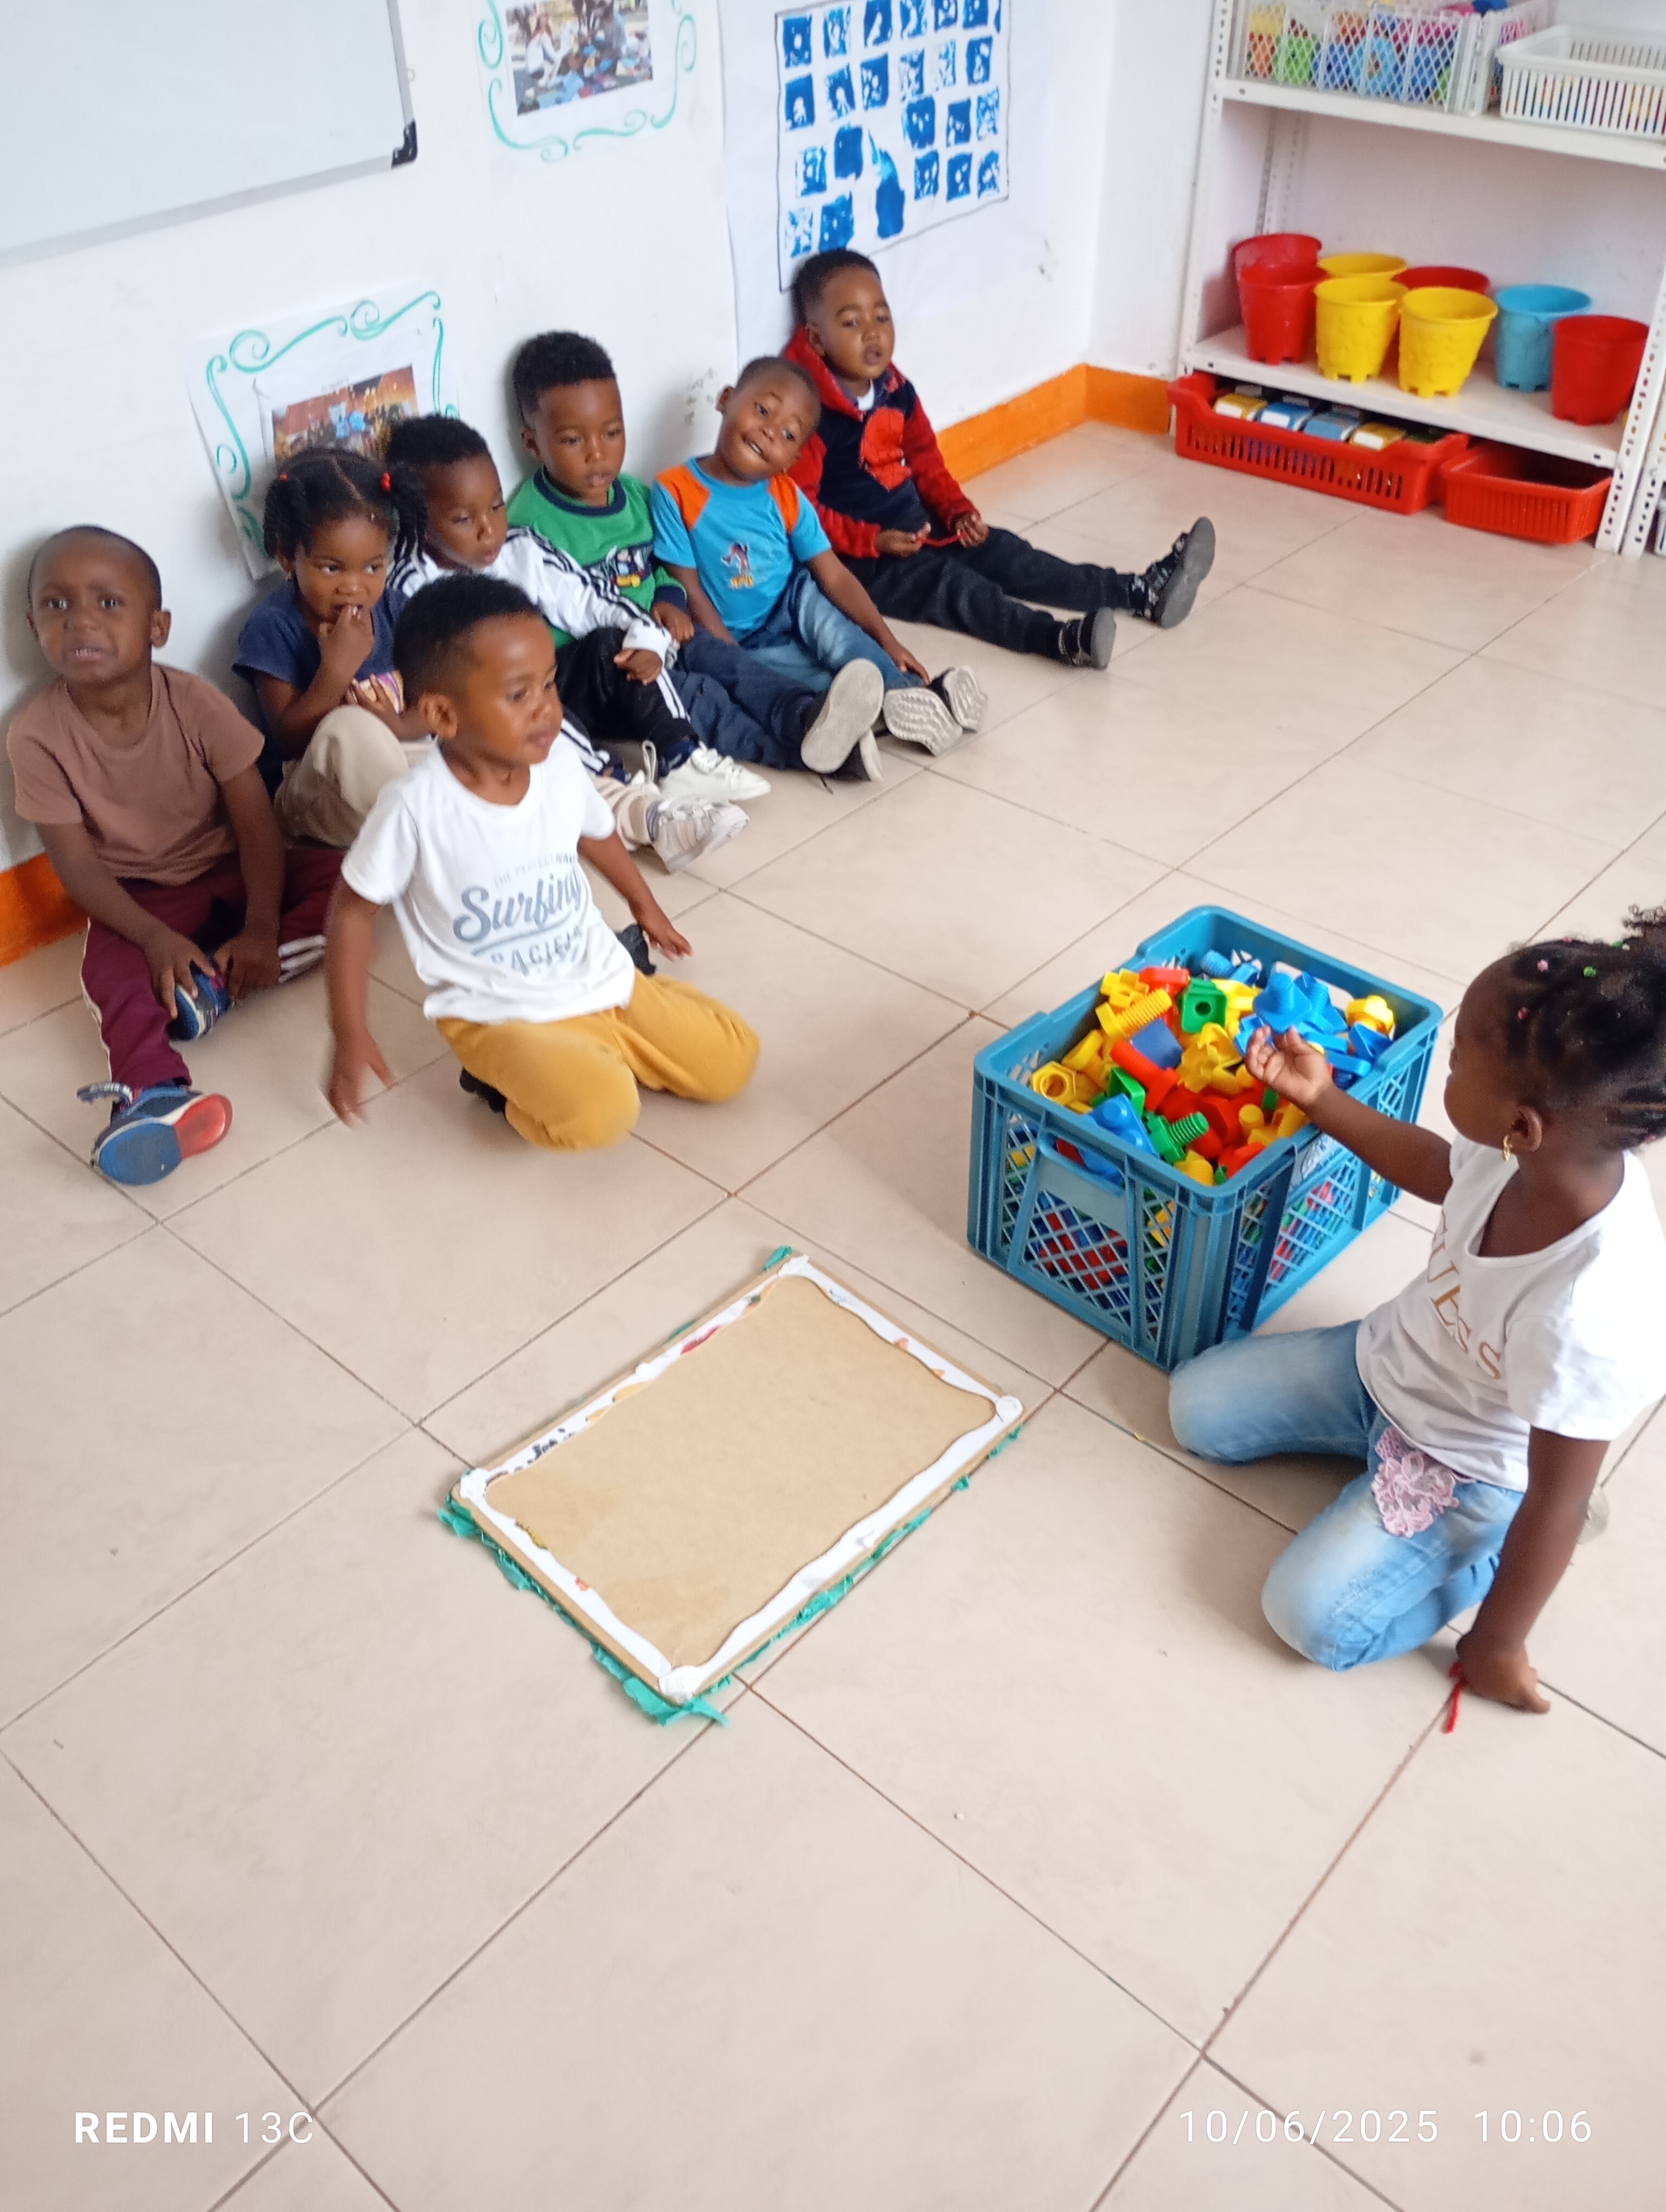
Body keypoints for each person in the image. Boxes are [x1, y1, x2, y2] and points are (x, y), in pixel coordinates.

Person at [1168, 919, 1666, 1712]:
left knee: (1309, 1618)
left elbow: (1559, 1498)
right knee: (1195, 1408)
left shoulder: (1593, 1314)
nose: (1448, 1066)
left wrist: (1497, 1644)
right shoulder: (1520, 1151)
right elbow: (1439, 1168)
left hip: (1469, 1469)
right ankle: (1377, 1467)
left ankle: (1483, 1558)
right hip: (1385, 1364)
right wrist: (1319, 1098)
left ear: (1523, 1126)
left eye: (1459, 1058)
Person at [325, 574, 758, 1151]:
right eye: (519, 695)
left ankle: (611, 1035)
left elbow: (596, 834)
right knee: (601, 1115)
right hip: (498, 1014)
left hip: (595, 975)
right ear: (443, 716)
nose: (548, 710)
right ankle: (500, 1083)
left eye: (549, 685)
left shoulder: (556, 767)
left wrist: (645, 907)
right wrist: (350, 1032)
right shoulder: (414, 809)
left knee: (735, 1059)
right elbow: (351, 913)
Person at [7, 527, 341, 1185]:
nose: (80, 620)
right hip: (143, 899)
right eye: (56, 604)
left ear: (157, 627)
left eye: (108, 603)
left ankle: (218, 985)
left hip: (233, 869)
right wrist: (152, 937)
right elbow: (77, 868)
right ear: (32, 626)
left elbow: (256, 820)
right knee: (109, 973)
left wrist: (262, 927)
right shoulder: (36, 736)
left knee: (354, 881)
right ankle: (152, 1093)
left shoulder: (192, 701)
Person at [785, 248, 1216, 669]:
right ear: (817, 339)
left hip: (921, 527)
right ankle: (1059, 640)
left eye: (882, 317)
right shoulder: (809, 413)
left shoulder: (896, 389)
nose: (872, 333)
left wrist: (957, 512)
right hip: (862, 562)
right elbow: (802, 511)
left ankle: (1140, 591)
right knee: (957, 590)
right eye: (852, 322)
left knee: (1009, 554)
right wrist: (872, 541)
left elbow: (926, 462)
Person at [507, 330, 884, 783]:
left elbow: (659, 569)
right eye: (572, 441)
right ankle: (803, 752)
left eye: (612, 433)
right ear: (533, 444)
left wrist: (669, 600)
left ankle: (806, 712)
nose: (597, 454)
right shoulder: (529, 526)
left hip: (659, 635)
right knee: (701, 697)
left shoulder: (633, 497)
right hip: (613, 668)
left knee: (728, 662)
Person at [383, 413, 744, 874]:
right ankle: (625, 793)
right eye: (463, 519)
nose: (489, 529)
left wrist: (648, 643)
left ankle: (682, 756)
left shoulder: (520, 548)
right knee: (525, 698)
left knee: (613, 641)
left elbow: (595, 600)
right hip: (492, 716)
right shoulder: (409, 590)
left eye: (496, 506)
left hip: (553, 684)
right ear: (417, 522)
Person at [653, 355, 987, 761]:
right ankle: (894, 710)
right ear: (726, 399)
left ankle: (913, 692)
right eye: (763, 410)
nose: (769, 432)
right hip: (740, 638)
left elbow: (836, 577)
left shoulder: (786, 496)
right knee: (821, 685)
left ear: (793, 460)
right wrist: (732, 660)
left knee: (836, 633)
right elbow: (689, 590)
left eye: (788, 435)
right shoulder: (674, 490)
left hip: (792, 604)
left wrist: (888, 642)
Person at [233, 448, 431, 846]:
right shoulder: (273, 627)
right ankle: (417, 833)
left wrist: (400, 726)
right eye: (332, 568)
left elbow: (434, 708)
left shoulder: (396, 609)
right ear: (288, 556)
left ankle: (422, 826)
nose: (354, 587)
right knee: (349, 728)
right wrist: (337, 671)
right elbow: (289, 742)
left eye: (373, 567)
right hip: (315, 793)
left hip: (401, 765)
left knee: (473, 752)